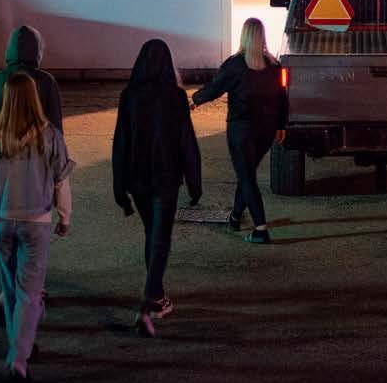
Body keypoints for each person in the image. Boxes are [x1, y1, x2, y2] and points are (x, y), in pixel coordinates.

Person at [0, 71, 74, 383]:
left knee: (11, 292)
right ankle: (19, 360)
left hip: (3, 221)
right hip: (37, 223)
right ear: (34, 99)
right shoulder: (50, 135)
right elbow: (61, 181)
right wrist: (64, 217)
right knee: (30, 294)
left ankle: (19, 345)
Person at [0, 25, 65, 325]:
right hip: (37, 173)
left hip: (2, 170)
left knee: (5, 230)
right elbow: (56, 127)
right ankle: (32, 291)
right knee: (34, 234)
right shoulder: (46, 82)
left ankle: (8, 293)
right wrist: (58, 176)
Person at [113, 38, 203, 335]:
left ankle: (158, 296)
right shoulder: (175, 97)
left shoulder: (129, 96)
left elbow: (121, 142)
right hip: (166, 179)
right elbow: (186, 141)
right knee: (160, 239)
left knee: (152, 234)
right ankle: (148, 304)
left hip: (137, 180)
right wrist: (194, 182)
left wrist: (119, 187)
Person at [191, 17, 289, 245]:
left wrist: (195, 99)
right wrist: (281, 125)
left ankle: (261, 229)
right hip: (266, 131)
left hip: (241, 130)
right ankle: (235, 217)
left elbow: (214, 88)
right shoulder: (274, 65)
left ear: (244, 36)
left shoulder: (235, 64)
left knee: (246, 177)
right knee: (247, 175)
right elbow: (283, 99)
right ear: (262, 37)